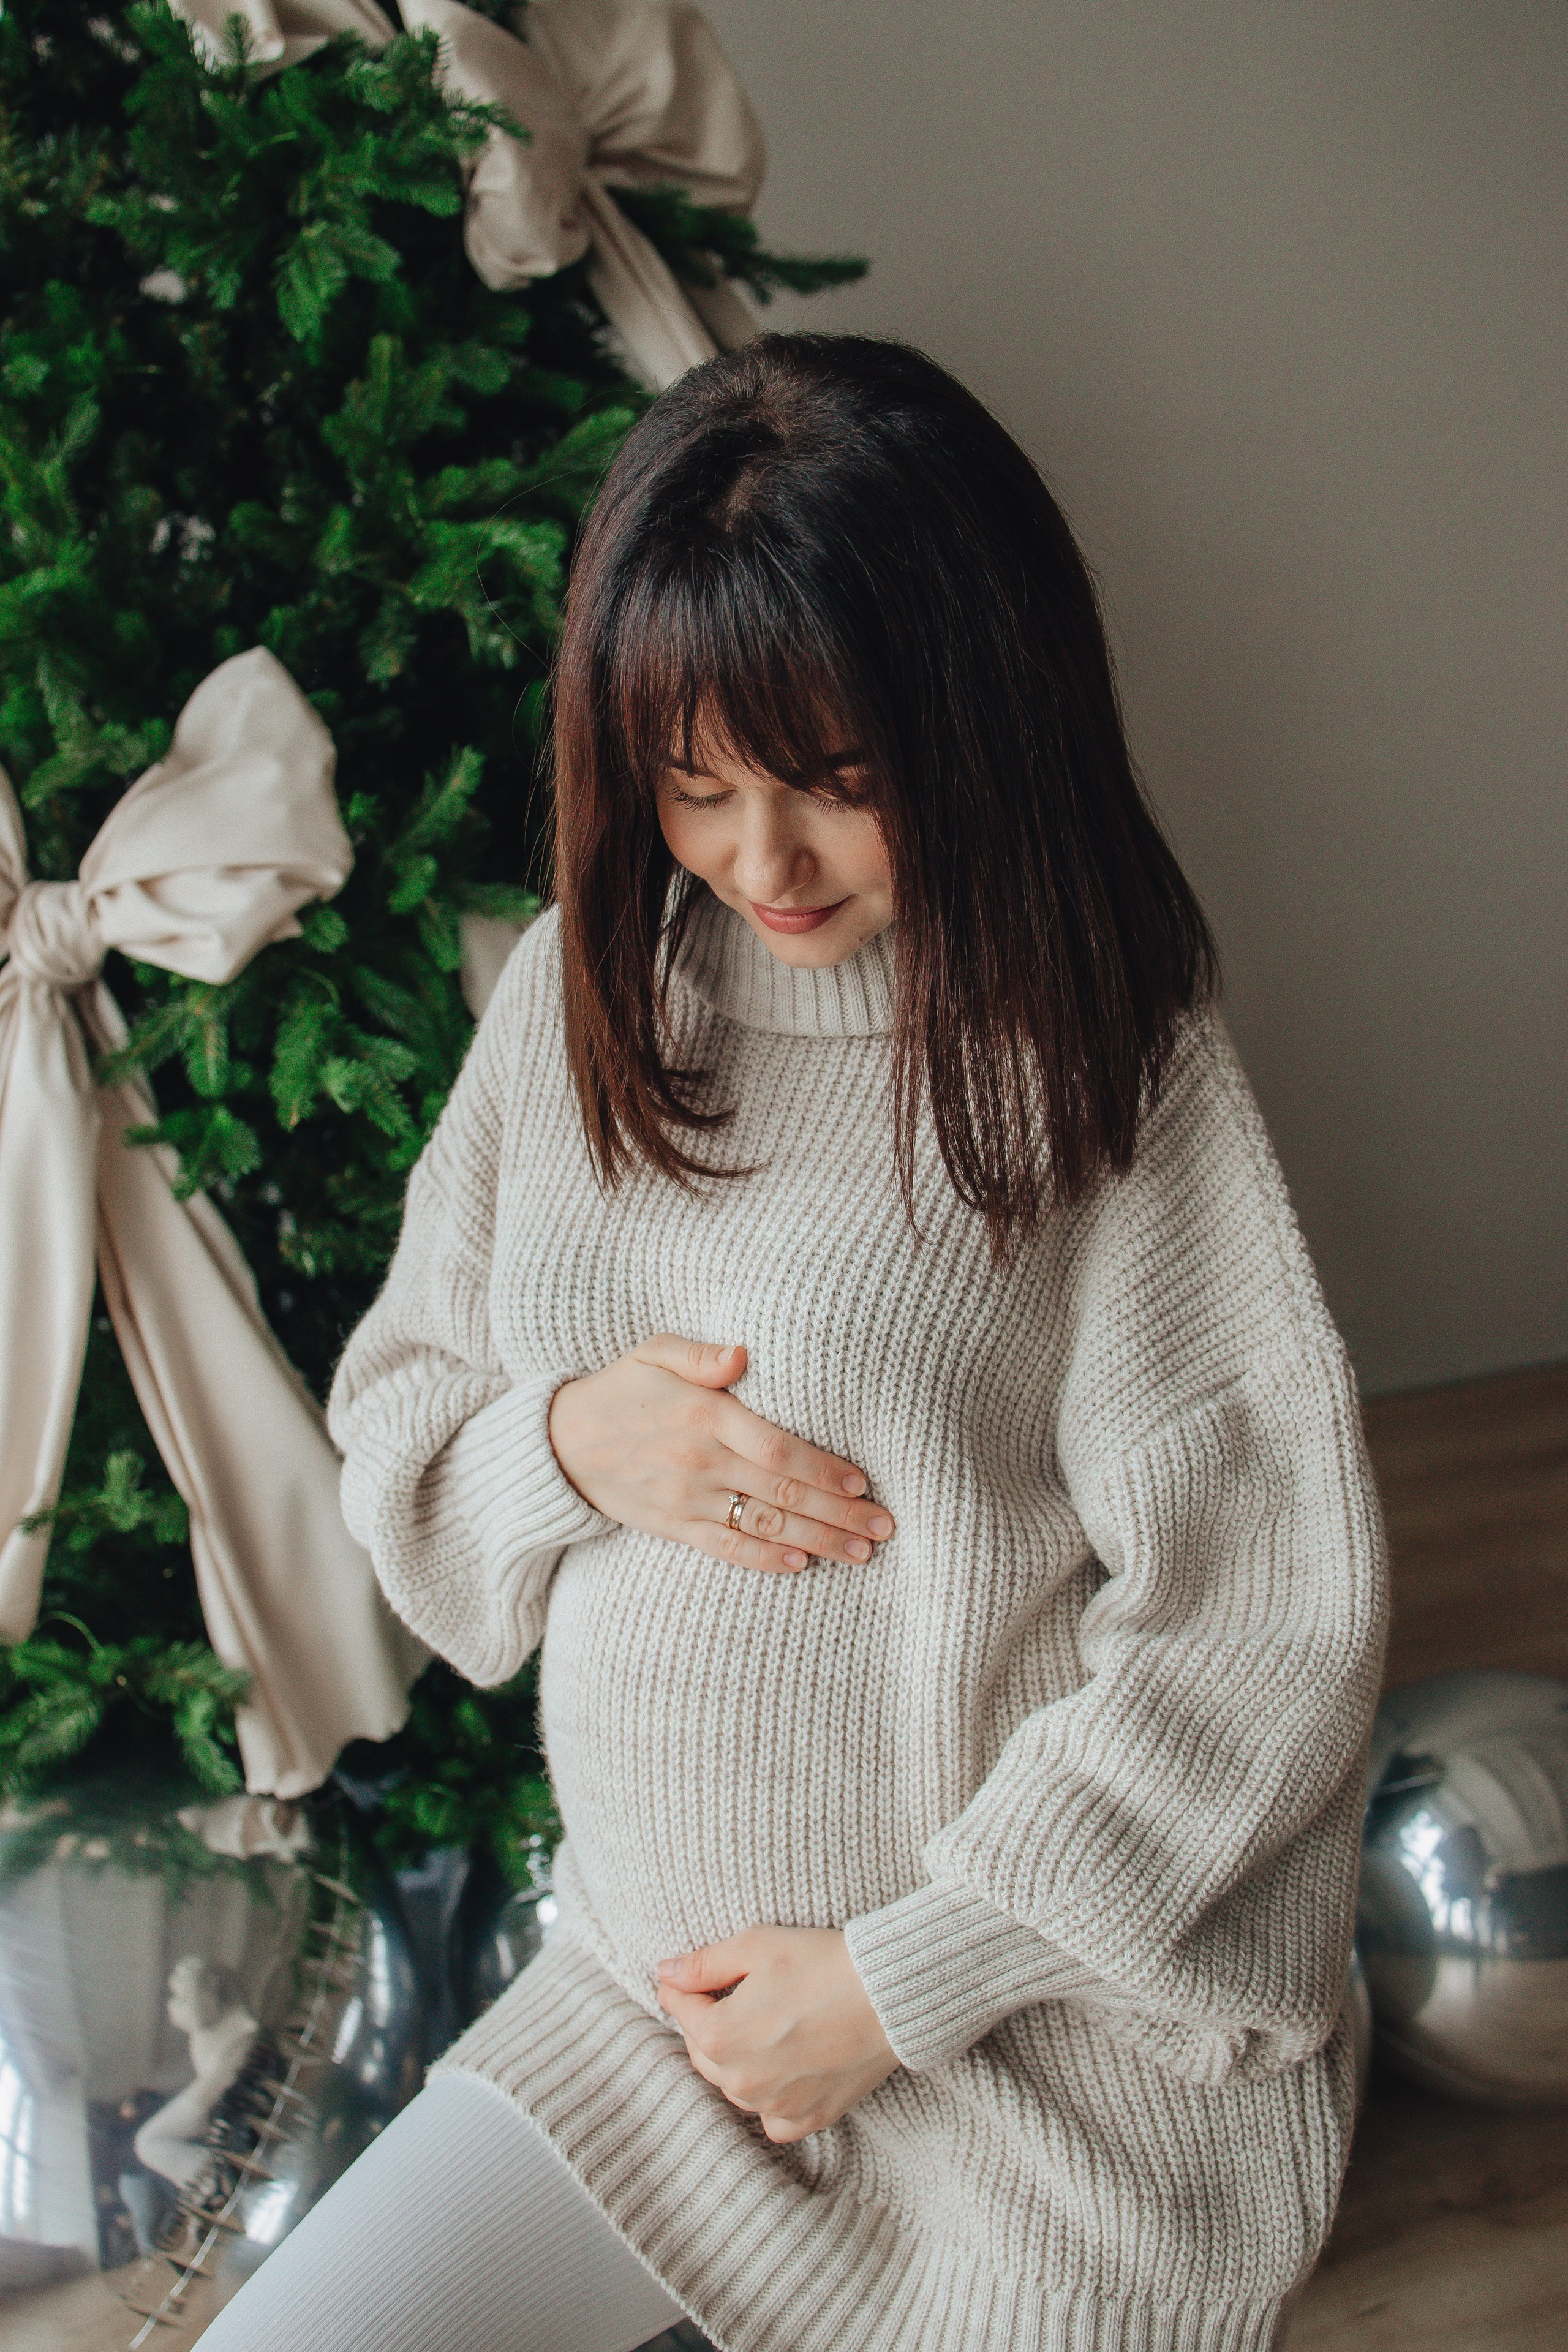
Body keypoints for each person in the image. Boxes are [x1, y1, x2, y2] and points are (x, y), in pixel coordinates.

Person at [201, 333, 1387, 2352]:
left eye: (837, 784)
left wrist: (902, 1984)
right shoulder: (588, 1006)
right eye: (697, 789)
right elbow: (404, 1422)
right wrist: (568, 1447)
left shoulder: (1105, 1068)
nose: (764, 864)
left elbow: (1260, 1626)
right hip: (652, 2019)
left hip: (1014, 2078)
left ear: (981, 725)